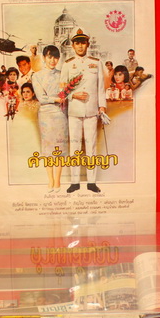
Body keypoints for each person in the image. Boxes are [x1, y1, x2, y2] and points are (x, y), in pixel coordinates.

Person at [60, 28, 109, 194]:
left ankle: (91, 182)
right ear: (73, 45)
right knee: (74, 145)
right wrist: (73, 94)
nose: (80, 46)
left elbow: (100, 87)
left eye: (83, 42)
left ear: (87, 44)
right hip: (74, 111)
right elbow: (62, 90)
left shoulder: (96, 62)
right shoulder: (67, 64)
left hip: (91, 110)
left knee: (91, 145)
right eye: (77, 43)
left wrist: (102, 106)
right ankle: (74, 182)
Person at [31, 45, 68, 193]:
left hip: (61, 114)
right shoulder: (37, 76)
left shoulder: (63, 75)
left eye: (56, 57)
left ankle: (57, 180)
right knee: (47, 149)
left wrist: (64, 98)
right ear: (44, 58)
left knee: (59, 148)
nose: (53, 60)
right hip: (46, 115)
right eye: (50, 57)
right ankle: (50, 180)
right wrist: (56, 99)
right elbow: (42, 98)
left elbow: (67, 94)